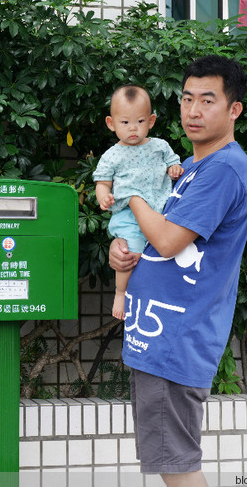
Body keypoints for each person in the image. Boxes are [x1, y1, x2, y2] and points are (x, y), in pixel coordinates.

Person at [109, 56, 247, 487]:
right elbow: (157, 244)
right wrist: (124, 255)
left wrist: (131, 192)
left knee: (178, 468)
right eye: (187, 99)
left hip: (176, 341)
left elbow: (170, 241)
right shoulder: (191, 169)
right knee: (170, 463)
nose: (193, 111)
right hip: (158, 338)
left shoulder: (224, 168)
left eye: (207, 100)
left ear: (234, 110)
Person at [93, 85, 184, 320]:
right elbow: (102, 183)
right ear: (111, 123)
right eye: (125, 123)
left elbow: (175, 164)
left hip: (161, 209)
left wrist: (174, 169)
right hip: (129, 214)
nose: (133, 128)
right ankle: (121, 293)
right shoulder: (112, 155)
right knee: (128, 251)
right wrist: (103, 196)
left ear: (151, 121)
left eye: (140, 121)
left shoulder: (161, 147)